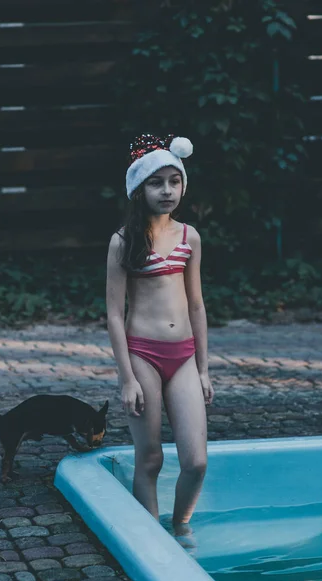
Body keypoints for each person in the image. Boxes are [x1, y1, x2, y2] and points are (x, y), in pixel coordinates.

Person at [106, 133, 214, 537]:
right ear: (139, 188)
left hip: (184, 356)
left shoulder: (190, 237)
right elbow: (115, 314)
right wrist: (126, 378)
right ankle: (151, 540)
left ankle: (181, 530)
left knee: (196, 461)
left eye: (174, 181)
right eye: (156, 182)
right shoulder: (123, 241)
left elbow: (197, 306)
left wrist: (203, 369)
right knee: (149, 458)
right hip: (142, 355)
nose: (167, 190)